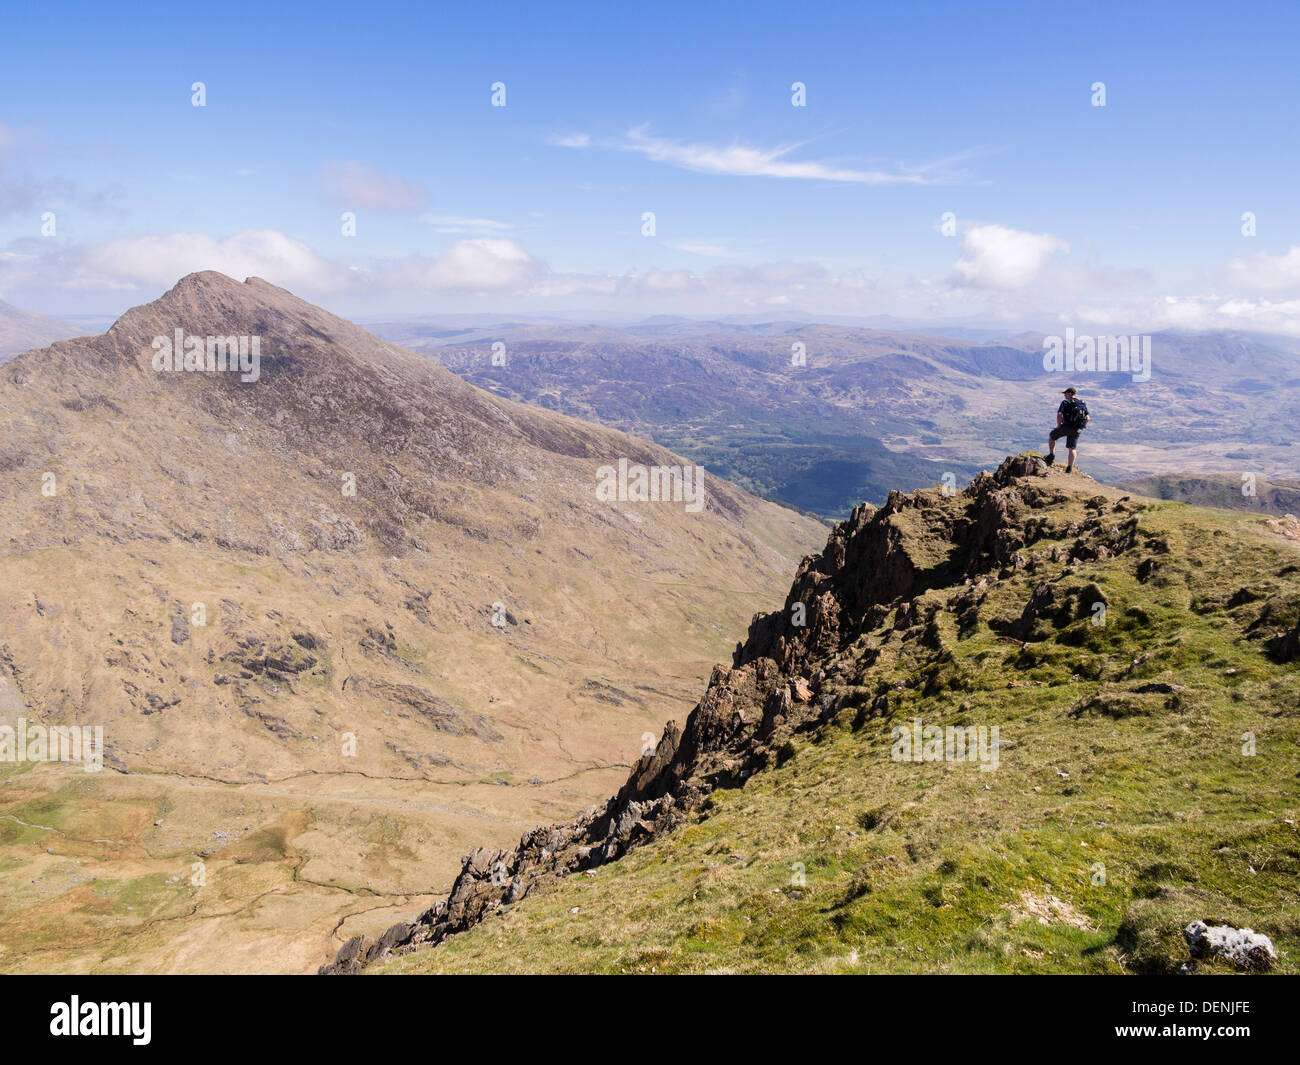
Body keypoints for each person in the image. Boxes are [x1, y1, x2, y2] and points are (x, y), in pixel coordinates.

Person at [1046, 387, 1089, 472]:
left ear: (1069, 393)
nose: (1064, 395)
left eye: (1065, 394)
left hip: (1066, 426)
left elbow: (1059, 414)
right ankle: (1069, 468)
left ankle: (1051, 456)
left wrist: (1059, 426)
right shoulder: (1082, 403)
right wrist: (1082, 427)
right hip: (1077, 429)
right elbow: (1087, 418)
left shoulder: (1065, 402)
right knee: (1072, 448)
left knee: (1052, 436)